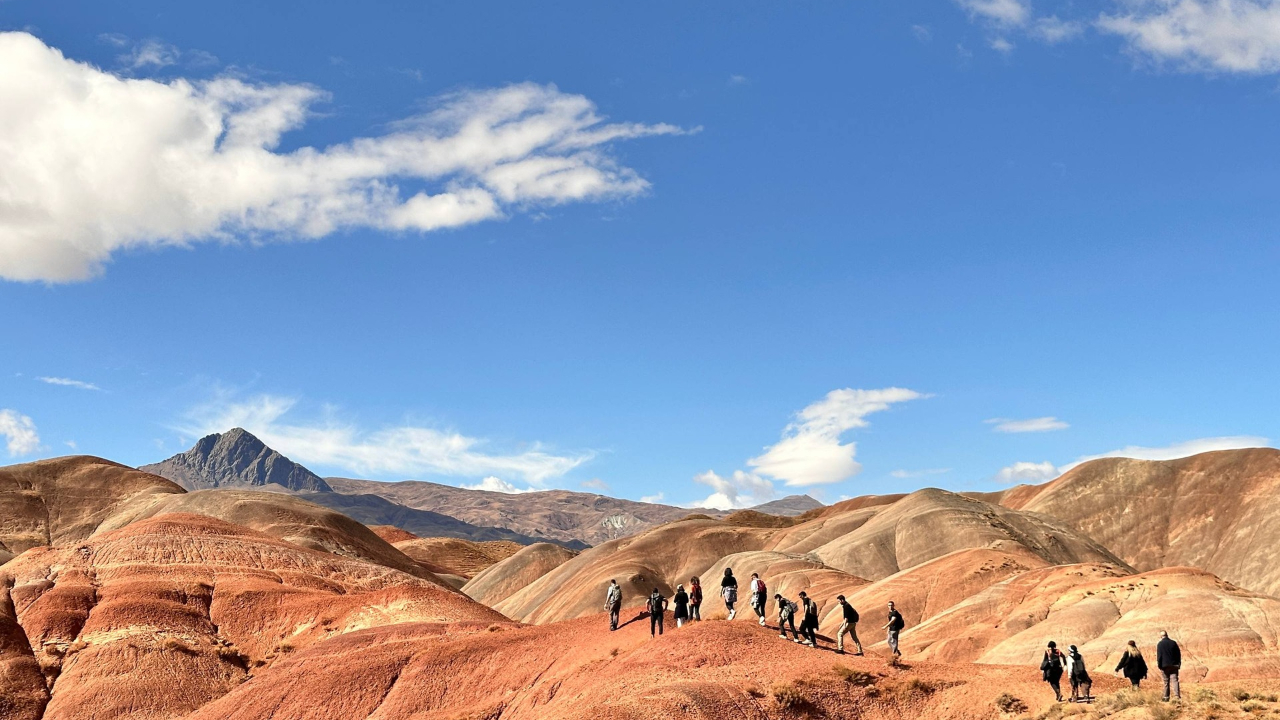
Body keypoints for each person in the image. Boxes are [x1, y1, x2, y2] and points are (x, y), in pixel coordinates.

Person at [1156, 631, 1181, 701]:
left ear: (1161, 636)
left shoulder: (1160, 644)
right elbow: (1178, 654)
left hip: (1164, 666)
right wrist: (1178, 664)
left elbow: (1159, 656)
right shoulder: (1173, 643)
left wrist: (1159, 665)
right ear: (1167, 635)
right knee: (1175, 680)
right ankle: (1177, 696)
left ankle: (1166, 697)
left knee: (1166, 682)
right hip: (1174, 665)